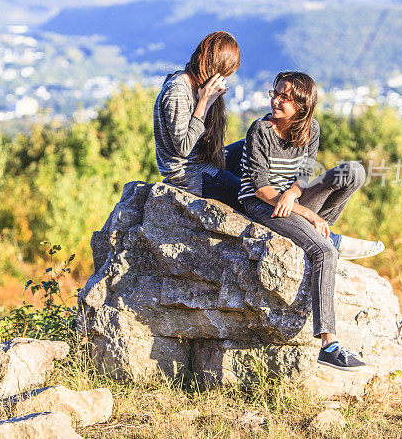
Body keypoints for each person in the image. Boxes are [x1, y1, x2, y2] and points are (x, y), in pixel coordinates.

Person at [238, 71, 385, 371]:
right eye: (275, 93)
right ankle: (329, 345)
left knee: (353, 171)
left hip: (291, 200)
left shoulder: (311, 130)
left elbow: (303, 175)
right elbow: (261, 188)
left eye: (285, 97)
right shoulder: (260, 130)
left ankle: (321, 232)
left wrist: (294, 194)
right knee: (325, 252)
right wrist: (305, 212)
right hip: (263, 204)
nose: (276, 100)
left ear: (303, 106)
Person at [152, 31, 245, 211]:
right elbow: (183, 148)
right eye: (223, 75)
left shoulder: (197, 85)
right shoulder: (177, 91)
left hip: (206, 163)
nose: (223, 81)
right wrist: (204, 103)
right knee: (249, 195)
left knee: (251, 147)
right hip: (191, 176)